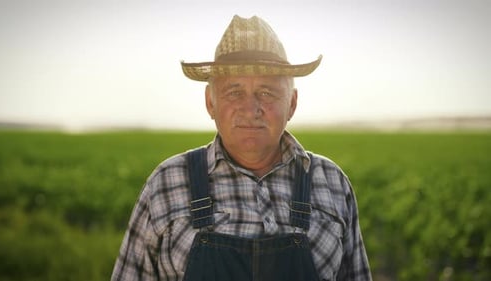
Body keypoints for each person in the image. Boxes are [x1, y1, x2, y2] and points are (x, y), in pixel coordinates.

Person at [111, 15, 372, 281]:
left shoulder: (332, 182)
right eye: (234, 92)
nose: (251, 109)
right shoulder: (166, 183)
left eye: (267, 92)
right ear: (210, 102)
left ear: (292, 103)